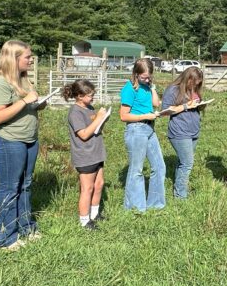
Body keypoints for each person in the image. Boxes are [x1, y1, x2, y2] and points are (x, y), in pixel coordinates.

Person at [0, 39, 42, 250]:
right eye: (27, 57)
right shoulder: (0, 83)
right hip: (9, 140)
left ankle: (26, 227)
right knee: (10, 187)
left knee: (26, 184)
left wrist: (37, 104)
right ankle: (4, 237)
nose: (30, 60)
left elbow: (26, 105)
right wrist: (25, 101)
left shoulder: (23, 80)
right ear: (14, 58)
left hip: (29, 139)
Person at [120, 58, 166, 211]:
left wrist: (152, 87)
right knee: (137, 170)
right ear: (136, 73)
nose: (146, 79)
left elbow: (156, 104)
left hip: (149, 129)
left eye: (149, 76)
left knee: (159, 166)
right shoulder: (129, 88)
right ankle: (135, 207)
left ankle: (156, 204)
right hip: (136, 129)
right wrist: (145, 116)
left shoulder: (147, 86)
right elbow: (124, 116)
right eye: (144, 77)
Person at [64, 79, 109, 229]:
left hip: (96, 151)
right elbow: (83, 134)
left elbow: (95, 127)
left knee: (99, 184)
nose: (93, 98)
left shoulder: (90, 107)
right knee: (87, 188)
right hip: (85, 155)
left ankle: (95, 214)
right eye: (90, 95)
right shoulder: (75, 112)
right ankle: (84, 220)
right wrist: (99, 119)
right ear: (79, 96)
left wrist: (102, 120)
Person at [161, 66, 205, 199]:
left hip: (193, 131)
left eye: (198, 83)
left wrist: (201, 105)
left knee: (183, 162)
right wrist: (186, 106)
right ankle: (180, 196)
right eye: (194, 82)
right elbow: (165, 111)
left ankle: (180, 189)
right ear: (188, 78)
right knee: (187, 163)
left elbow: (194, 105)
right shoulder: (173, 90)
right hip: (180, 132)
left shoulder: (193, 90)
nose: (195, 85)